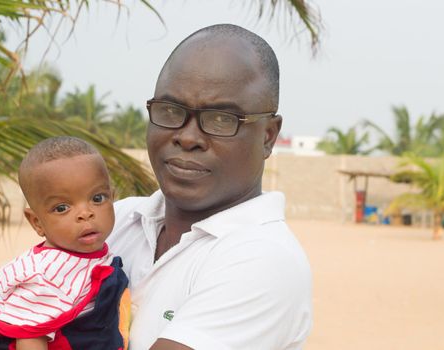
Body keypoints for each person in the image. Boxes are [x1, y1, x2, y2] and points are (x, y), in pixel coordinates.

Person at [106, 24, 312, 350]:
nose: (187, 137)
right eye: (171, 111)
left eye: (220, 119)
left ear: (268, 136)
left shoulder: (265, 259)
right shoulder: (116, 221)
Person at [0, 136, 130, 350]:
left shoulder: (87, 256)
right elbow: (29, 335)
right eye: (62, 208)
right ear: (37, 222)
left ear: (112, 198)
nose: (85, 213)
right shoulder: (47, 277)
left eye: (97, 198)